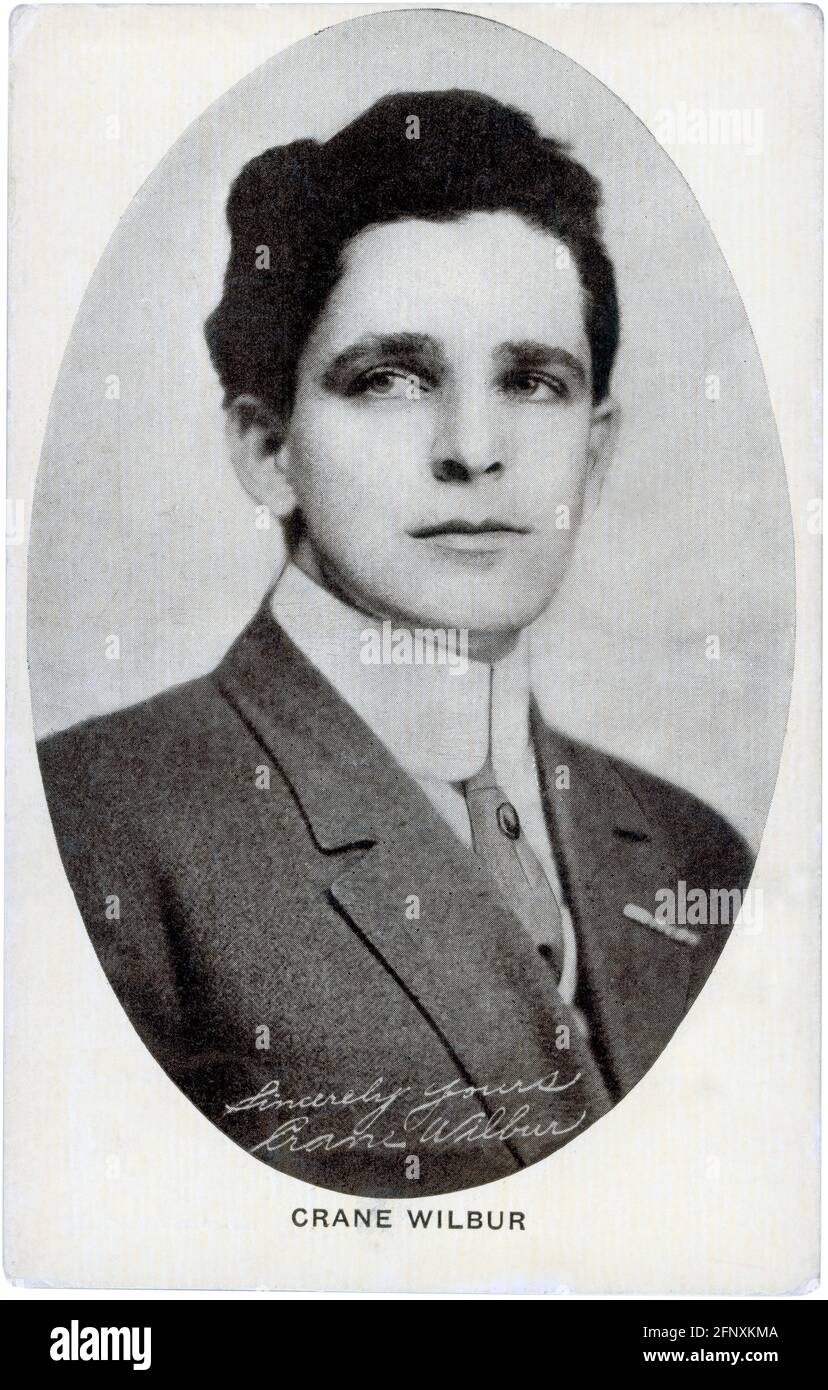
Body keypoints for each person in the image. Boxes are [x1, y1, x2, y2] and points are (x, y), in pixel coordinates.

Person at [37, 90, 753, 1197]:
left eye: (531, 382)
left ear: (595, 454)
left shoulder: (696, 854)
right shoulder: (84, 831)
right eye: (390, 379)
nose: (474, 448)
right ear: (268, 447)